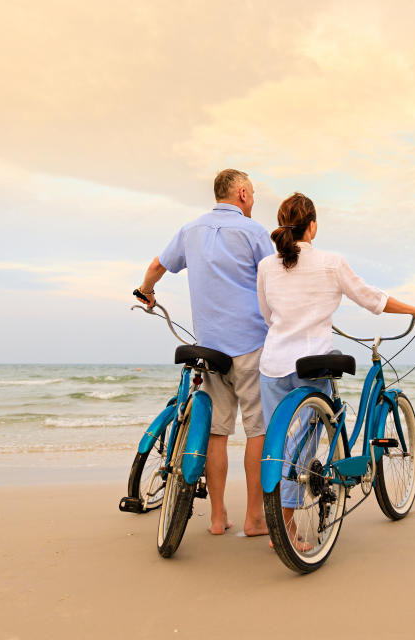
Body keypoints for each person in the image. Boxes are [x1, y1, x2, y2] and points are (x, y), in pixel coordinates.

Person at [256, 192, 415, 547]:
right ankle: (286, 529)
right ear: (313, 226)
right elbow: (372, 299)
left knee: (278, 444)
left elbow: (267, 315)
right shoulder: (331, 263)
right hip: (311, 364)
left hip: (273, 363)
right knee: (302, 448)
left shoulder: (266, 266)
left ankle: (279, 521)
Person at [136, 169, 272, 537]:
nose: (254, 200)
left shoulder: (190, 231)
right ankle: (255, 518)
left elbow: (155, 267)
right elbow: (275, 280)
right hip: (251, 345)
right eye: (253, 193)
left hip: (209, 348)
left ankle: (217, 517)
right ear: (242, 192)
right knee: (257, 429)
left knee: (216, 432)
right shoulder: (254, 232)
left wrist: (147, 291)